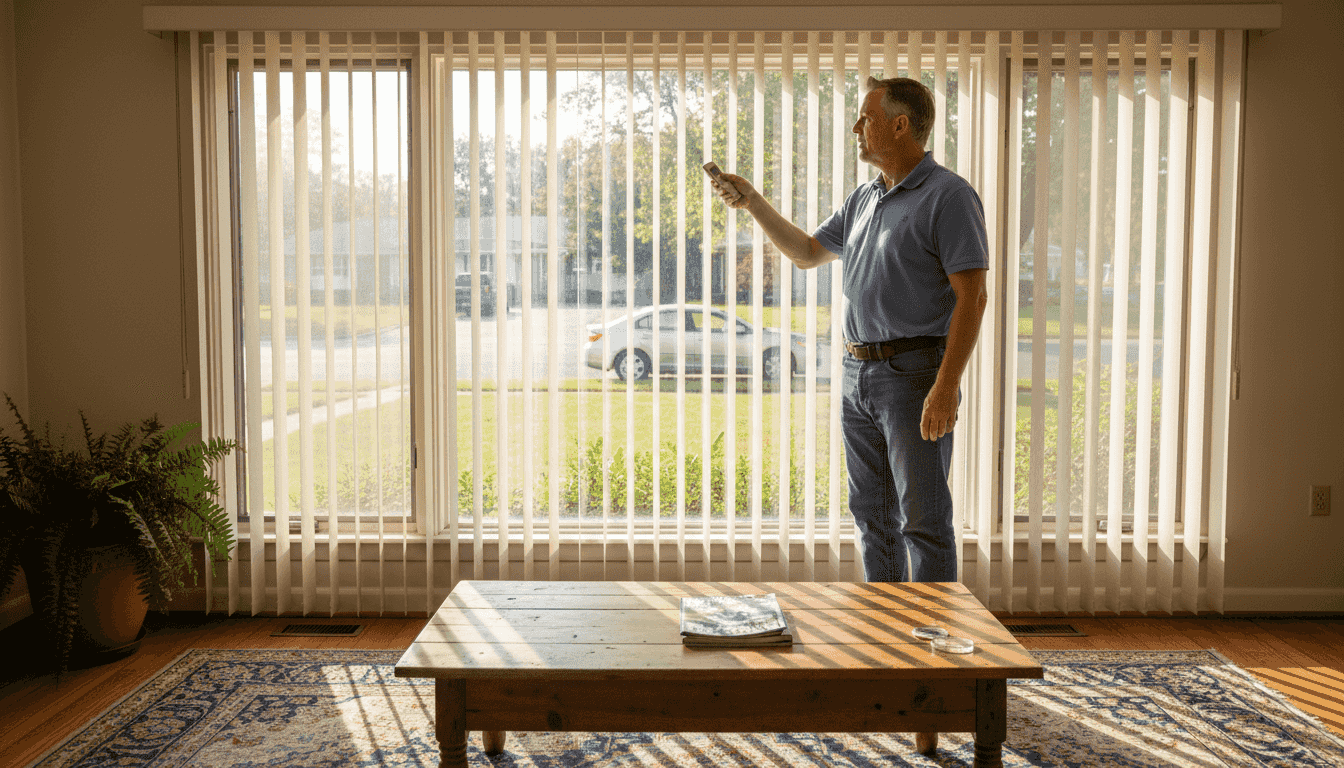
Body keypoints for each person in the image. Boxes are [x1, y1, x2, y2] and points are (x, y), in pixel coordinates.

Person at [711, 76, 988, 587]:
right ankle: (887, 638)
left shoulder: (949, 196)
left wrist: (945, 386)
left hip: (914, 375)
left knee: (923, 522)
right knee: (872, 517)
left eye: (866, 118)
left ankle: (932, 652)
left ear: (900, 125)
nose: (856, 127)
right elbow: (807, 253)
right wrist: (752, 201)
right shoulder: (865, 197)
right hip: (856, 372)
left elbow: (973, 298)